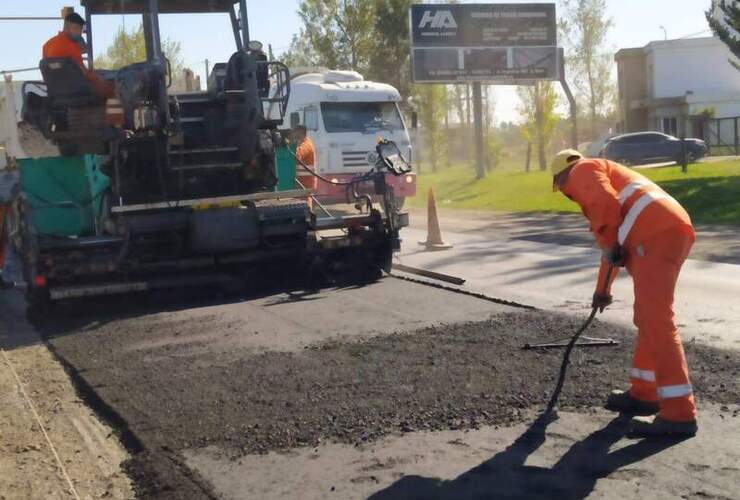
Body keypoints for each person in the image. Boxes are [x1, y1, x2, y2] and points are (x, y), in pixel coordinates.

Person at [551, 149, 697, 437]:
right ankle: (645, 393)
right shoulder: (610, 179)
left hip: (655, 230)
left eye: (564, 191)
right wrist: (602, 290)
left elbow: (606, 214)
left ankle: (679, 412)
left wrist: (607, 243)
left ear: (561, 178)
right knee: (647, 314)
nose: (570, 196)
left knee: (656, 318)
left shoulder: (583, 170)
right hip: (666, 226)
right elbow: (612, 244)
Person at [42, 12, 115, 99]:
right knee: (112, 89)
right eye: (76, 29)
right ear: (66, 27)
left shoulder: (47, 45)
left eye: (80, 30)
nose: (79, 33)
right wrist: (100, 79)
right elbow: (83, 72)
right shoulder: (71, 46)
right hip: (77, 93)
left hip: (56, 94)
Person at [292, 124, 318, 194]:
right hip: (302, 183)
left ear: (300, 132)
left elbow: (297, 156)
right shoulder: (304, 143)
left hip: (306, 184)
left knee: (306, 203)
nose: (293, 135)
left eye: (295, 132)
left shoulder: (306, 145)